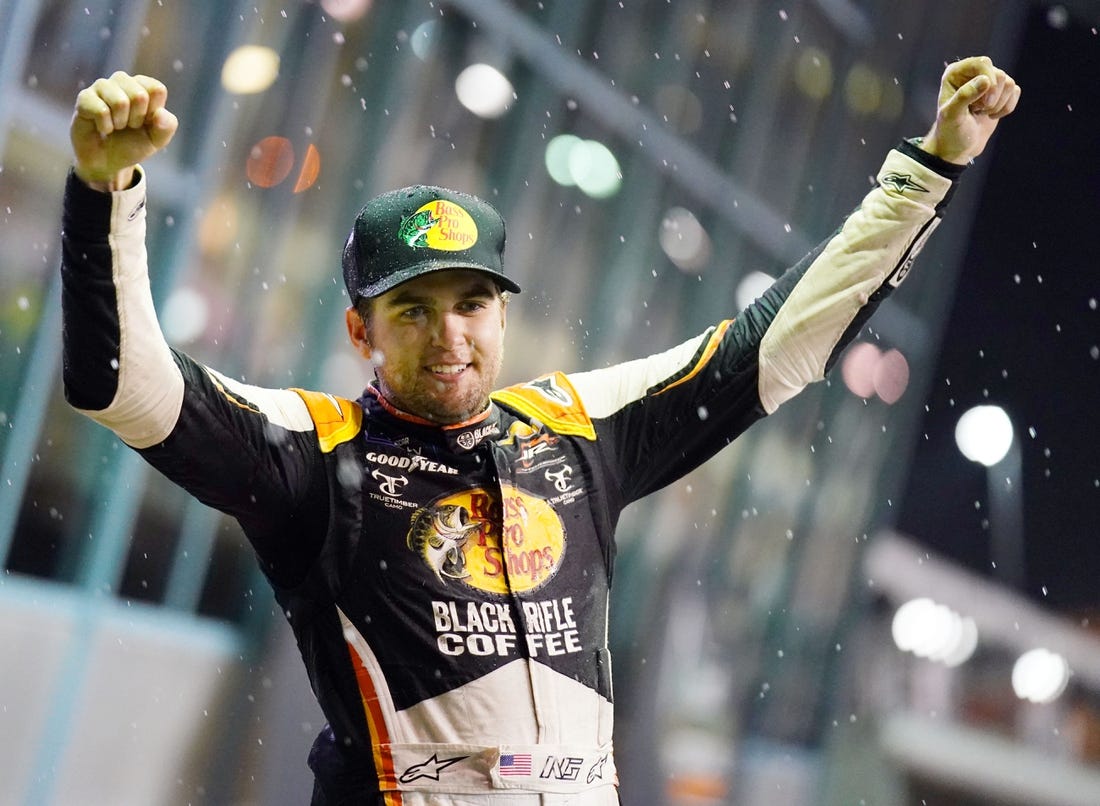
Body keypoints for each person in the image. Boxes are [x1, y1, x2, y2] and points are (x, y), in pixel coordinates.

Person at [61, 56, 1019, 804]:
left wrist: (930, 165)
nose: (451, 336)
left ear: (504, 315)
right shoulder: (313, 451)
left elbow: (782, 343)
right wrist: (109, 190)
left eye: (473, 303)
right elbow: (128, 386)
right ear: (360, 330)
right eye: (414, 310)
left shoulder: (576, 429)